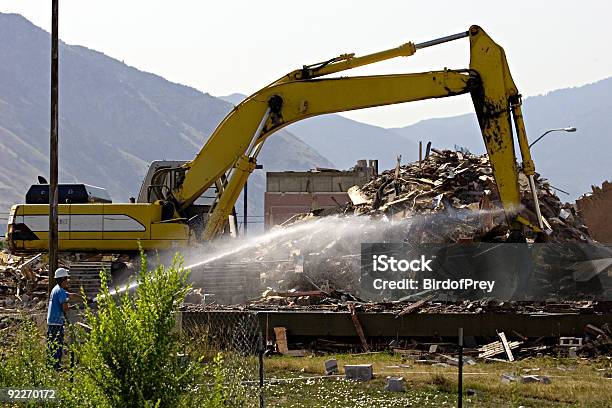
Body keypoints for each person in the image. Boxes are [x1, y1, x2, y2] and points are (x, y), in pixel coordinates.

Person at [46, 267, 84, 370]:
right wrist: (73, 307)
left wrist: (84, 299)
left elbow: (72, 295)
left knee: (52, 344)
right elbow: (65, 308)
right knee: (57, 344)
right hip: (56, 323)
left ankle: (51, 365)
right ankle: (55, 367)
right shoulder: (61, 291)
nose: (67, 281)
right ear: (62, 279)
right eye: (66, 279)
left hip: (52, 322)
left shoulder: (56, 289)